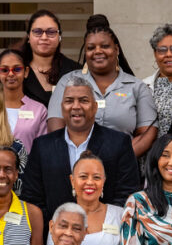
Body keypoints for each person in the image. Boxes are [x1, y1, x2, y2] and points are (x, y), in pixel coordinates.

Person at [19, 76, 143, 233]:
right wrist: (56, 228)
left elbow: (127, 194)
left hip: (103, 236)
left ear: (95, 107)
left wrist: (99, 227)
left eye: (83, 100)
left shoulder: (119, 143)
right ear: (62, 107)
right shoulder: (42, 146)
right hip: (55, 236)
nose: (76, 106)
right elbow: (32, 198)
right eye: (69, 101)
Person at [47, 15, 159, 158]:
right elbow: (56, 129)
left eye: (105, 46)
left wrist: (117, 160)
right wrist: (83, 162)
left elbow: (148, 134)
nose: (98, 51)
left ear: (116, 49)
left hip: (122, 170)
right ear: (85, 52)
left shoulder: (137, 87)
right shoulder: (67, 82)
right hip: (75, 168)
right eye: (91, 47)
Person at [16, 9, 81, 106]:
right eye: (37, 32)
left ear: (59, 37)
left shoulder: (75, 71)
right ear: (29, 36)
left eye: (51, 32)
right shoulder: (16, 71)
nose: (44, 37)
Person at [0, 48, 49, 154]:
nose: (10, 74)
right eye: (5, 70)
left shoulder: (38, 110)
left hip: (28, 170)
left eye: (17, 69)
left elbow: (42, 150)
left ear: (26, 72)